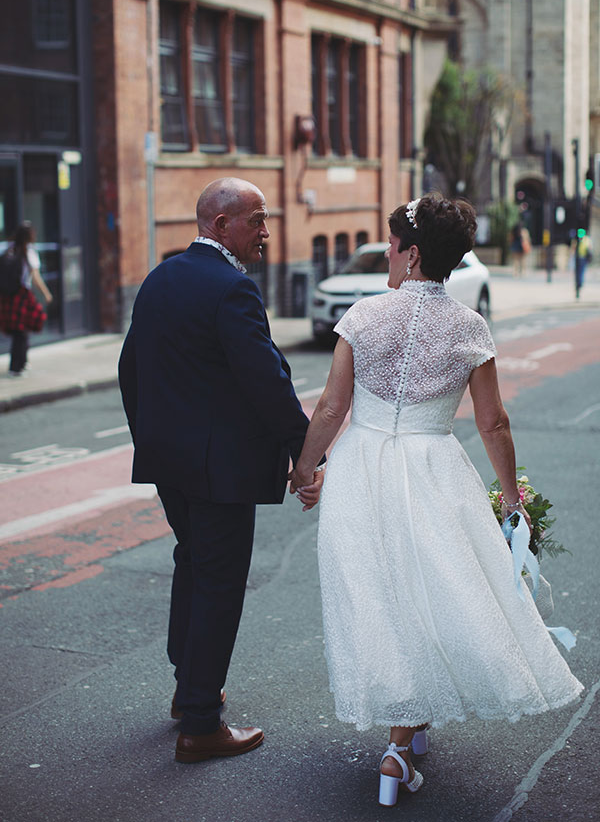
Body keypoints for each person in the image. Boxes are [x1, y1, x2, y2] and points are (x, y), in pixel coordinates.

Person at [290, 194, 583, 806]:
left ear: (414, 252)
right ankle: (403, 742)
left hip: (362, 468)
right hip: (433, 469)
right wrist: (510, 499)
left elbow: (332, 408)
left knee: (384, 591)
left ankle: (402, 740)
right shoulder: (469, 327)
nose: (389, 253)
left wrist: (305, 466)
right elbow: (493, 423)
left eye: (394, 244)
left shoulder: (363, 317)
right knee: (430, 587)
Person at [118, 177, 323, 764]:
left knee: (193, 561)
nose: (265, 231)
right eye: (256, 220)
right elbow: (266, 381)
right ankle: (202, 724)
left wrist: (151, 439)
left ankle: (190, 689)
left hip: (169, 463)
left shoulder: (160, 278)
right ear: (219, 224)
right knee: (219, 582)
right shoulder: (232, 288)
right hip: (218, 471)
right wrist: (307, 454)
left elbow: (130, 367)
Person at [0, 221, 52, 376]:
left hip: (8, 296)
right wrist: (46, 293)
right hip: (22, 294)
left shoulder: (7, 249)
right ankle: (17, 366)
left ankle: (20, 363)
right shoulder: (28, 252)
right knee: (23, 330)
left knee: (20, 331)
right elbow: (35, 277)